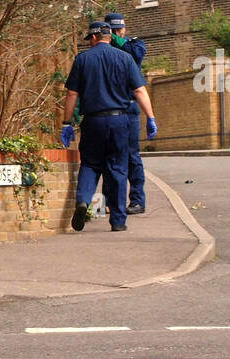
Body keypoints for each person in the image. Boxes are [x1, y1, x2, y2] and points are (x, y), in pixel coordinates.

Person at [60, 21, 157, 232]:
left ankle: (83, 201)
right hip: (120, 121)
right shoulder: (125, 58)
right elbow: (139, 90)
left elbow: (72, 94)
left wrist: (66, 123)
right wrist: (150, 117)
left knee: (90, 164)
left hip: (93, 121)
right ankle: (118, 221)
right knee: (118, 169)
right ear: (110, 37)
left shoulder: (83, 59)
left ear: (94, 38)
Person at [104, 12, 147, 214]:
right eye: (113, 30)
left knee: (131, 156)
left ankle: (137, 200)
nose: (117, 33)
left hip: (128, 107)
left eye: (119, 30)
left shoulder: (133, 45)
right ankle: (109, 202)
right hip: (107, 108)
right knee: (109, 157)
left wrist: (117, 39)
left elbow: (137, 54)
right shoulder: (102, 49)